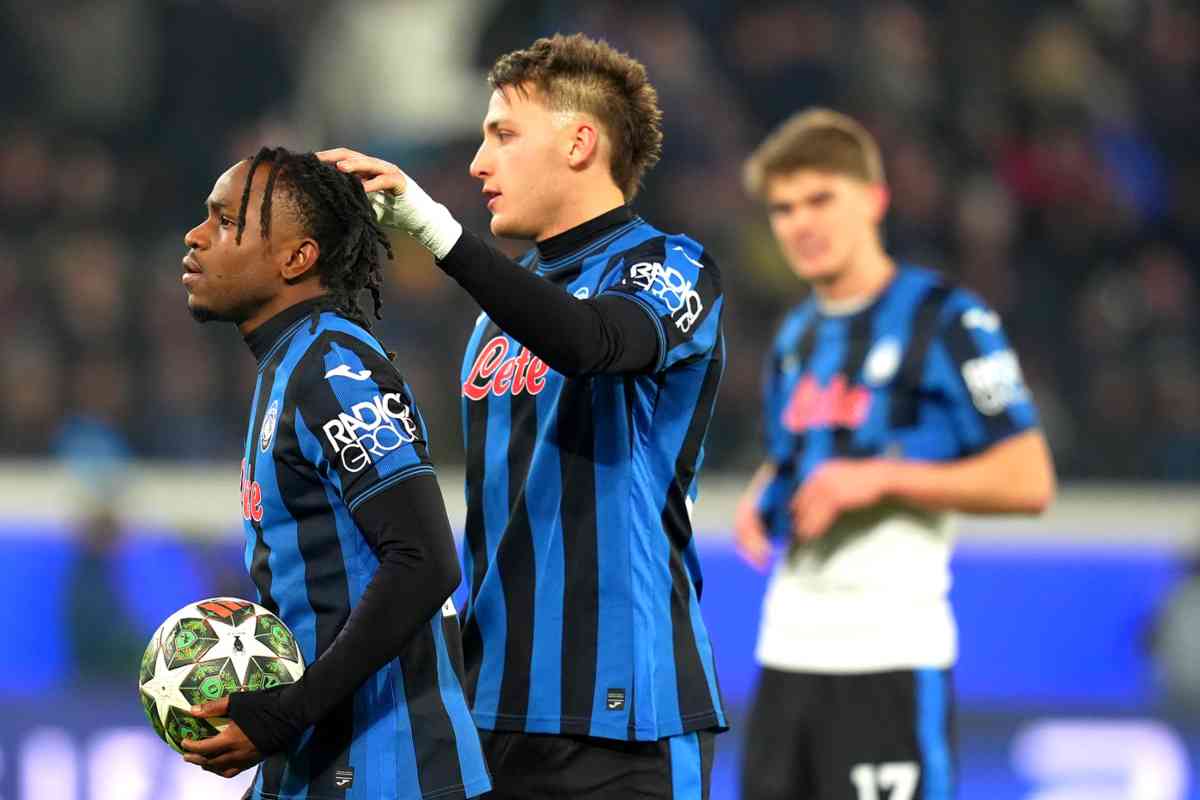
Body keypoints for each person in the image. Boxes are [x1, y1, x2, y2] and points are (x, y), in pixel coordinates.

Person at [319, 32, 726, 800]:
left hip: (626, 717)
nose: (479, 163)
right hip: (496, 708)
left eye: (503, 134)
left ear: (579, 143)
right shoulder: (495, 317)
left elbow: (594, 342)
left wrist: (439, 232)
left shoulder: (672, 266)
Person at [733, 109, 1056, 800]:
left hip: (887, 657)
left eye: (821, 199)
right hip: (785, 654)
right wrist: (766, 490)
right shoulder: (796, 337)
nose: (801, 223)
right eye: (784, 208)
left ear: (874, 200)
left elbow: (1028, 478)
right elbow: (803, 451)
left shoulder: (946, 320)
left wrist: (879, 480)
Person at [176, 146, 490, 800]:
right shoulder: (291, 363)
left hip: (389, 772)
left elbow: (425, 560)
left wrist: (285, 714)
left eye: (226, 221)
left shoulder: (334, 368)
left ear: (296, 257)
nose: (196, 236)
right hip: (319, 764)